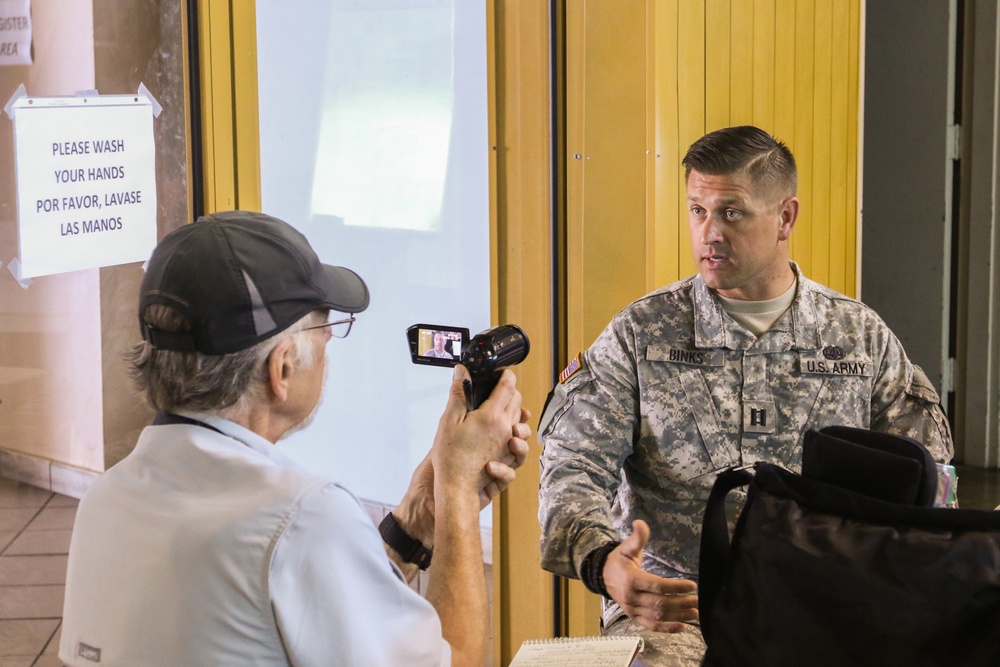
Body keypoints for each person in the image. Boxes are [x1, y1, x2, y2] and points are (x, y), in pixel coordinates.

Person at [537, 126, 953, 665]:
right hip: (677, 606)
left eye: (731, 212)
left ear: (785, 218)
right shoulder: (641, 334)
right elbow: (572, 464)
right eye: (697, 211)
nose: (709, 233)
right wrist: (605, 561)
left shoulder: (857, 337)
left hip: (824, 602)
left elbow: (931, 481)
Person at [60, 210, 531, 666]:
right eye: (327, 327)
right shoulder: (301, 516)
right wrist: (458, 496)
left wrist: (415, 523)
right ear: (281, 367)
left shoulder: (105, 500)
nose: (329, 345)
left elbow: (312, 614)